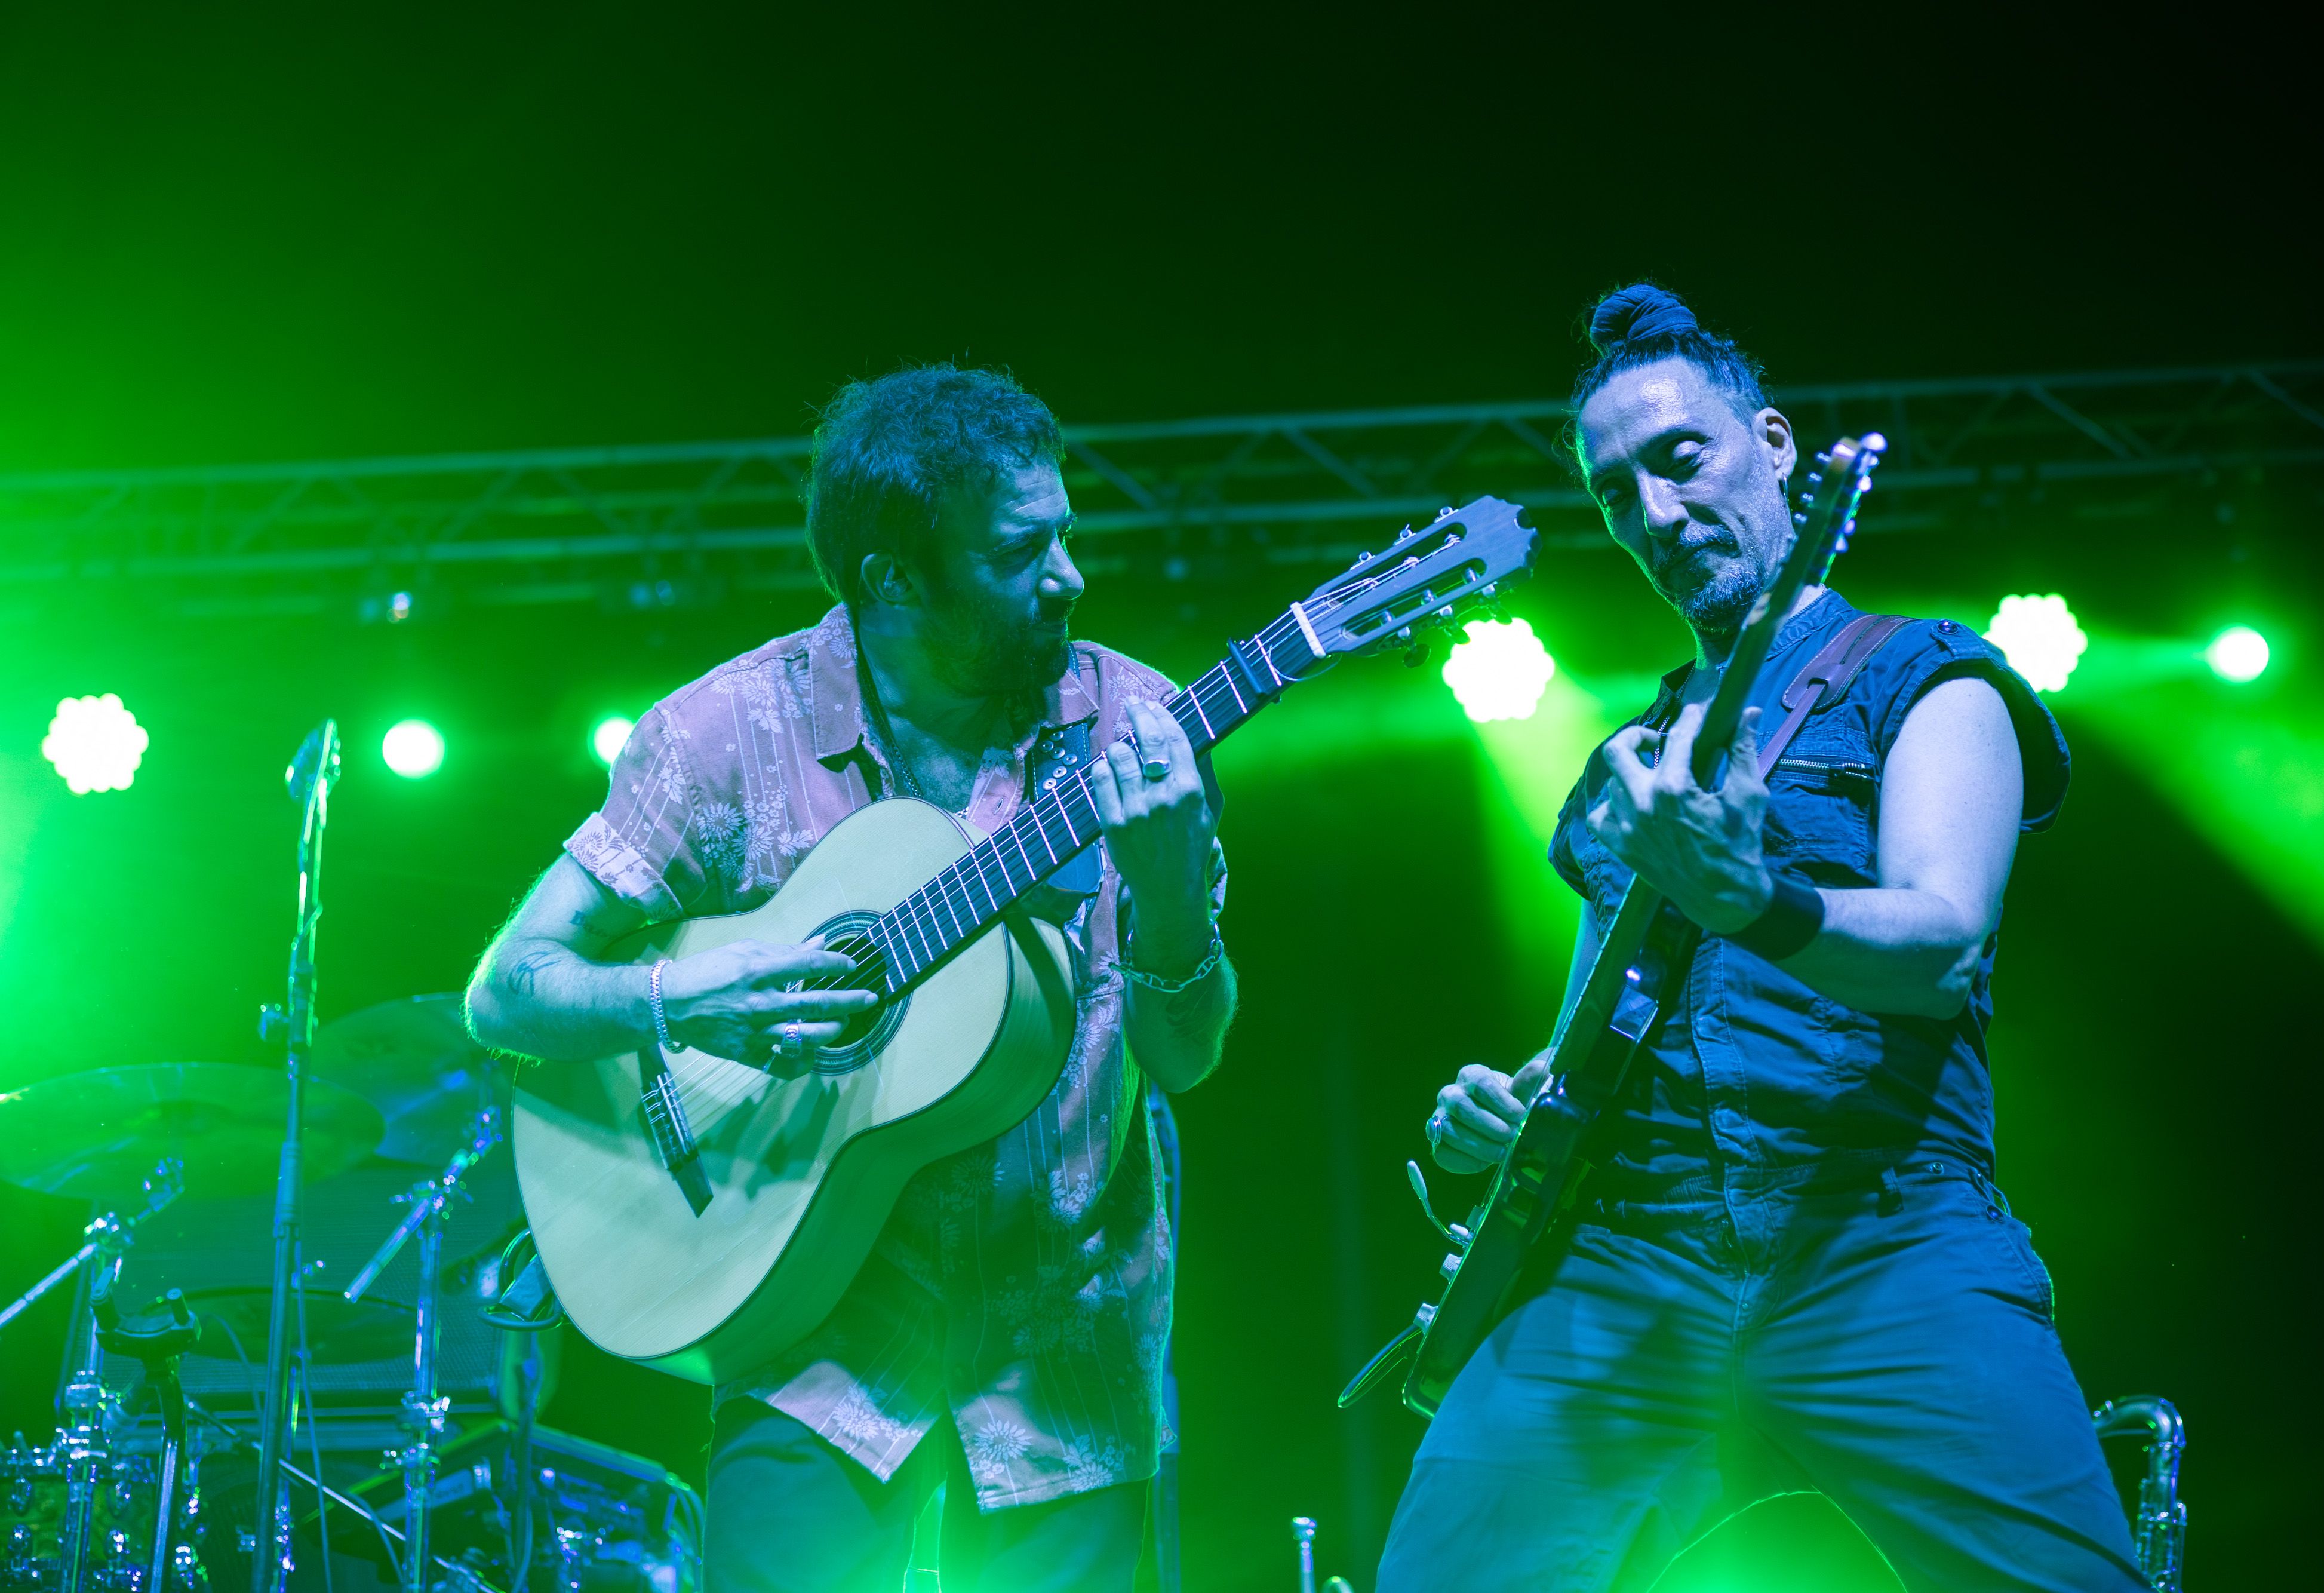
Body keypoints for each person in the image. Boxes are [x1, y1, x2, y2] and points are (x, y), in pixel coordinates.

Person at [1376, 286, 2147, 1591]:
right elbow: (1600, 1033)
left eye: (1680, 459)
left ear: (1775, 444)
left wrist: (1751, 899)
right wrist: (1513, 1108)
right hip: (1629, 1253)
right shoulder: (1623, 765)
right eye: (1616, 494)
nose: (1657, 512)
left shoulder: (1929, 674)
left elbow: (1944, 944)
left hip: (1882, 1235)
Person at [466, 365, 1235, 1593]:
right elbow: (508, 988)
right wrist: (688, 1001)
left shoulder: (1134, 729)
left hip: (1065, 1354)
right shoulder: (722, 733)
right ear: (891, 579)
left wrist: (1176, 895)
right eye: (1018, 551)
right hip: (811, 1343)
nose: (1069, 576)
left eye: (1066, 533)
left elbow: (1185, 1058)